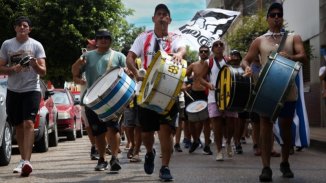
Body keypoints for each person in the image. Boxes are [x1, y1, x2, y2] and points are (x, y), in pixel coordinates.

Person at [242, 3, 307, 182]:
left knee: (286, 129)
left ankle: (285, 162)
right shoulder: (259, 40)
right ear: (268, 18)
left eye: (279, 14)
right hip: (266, 91)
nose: (276, 17)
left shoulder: (294, 38)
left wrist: (291, 57)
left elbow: (303, 56)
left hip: (288, 90)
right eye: (273, 15)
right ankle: (266, 168)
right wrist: (247, 69)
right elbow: (245, 60)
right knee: (266, 129)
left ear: (282, 17)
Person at [126, 4, 186, 181]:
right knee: (146, 132)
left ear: (169, 20)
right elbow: (130, 57)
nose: (161, 17)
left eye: (165, 15)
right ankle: (150, 152)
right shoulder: (143, 38)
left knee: (165, 130)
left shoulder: (176, 36)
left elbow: (182, 49)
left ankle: (165, 167)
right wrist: (136, 73)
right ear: (153, 18)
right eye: (158, 14)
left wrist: (180, 54)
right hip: (145, 91)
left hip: (168, 91)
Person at [72, 28, 126, 173]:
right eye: (101, 37)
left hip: (112, 100)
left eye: (107, 37)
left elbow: (128, 75)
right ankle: (102, 159)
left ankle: (115, 158)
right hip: (92, 101)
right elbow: (74, 73)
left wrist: (129, 72)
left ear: (110, 40)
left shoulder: (119, 56)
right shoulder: (87, 56)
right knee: (99, 133)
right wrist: (78, 68)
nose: (104, 40)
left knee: (113, 128)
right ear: (96, 40)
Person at [0, 16, 46, 177]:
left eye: (25, 25)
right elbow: (0, 68)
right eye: (19, 25)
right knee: (18, 125)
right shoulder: (7, 44)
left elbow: (43, 71)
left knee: (28, 123)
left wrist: (34, 64)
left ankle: (27, 161)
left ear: (29, 29)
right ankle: (21, 160)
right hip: (13, 90)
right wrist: (13, 69)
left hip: (31, 90)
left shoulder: (36, 45)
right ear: (15, 28)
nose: (22, 27)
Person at [201, 40, 237, 161]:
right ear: (213, 49)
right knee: (216, 125)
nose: (219, 47)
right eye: (216, 45)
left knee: (231, 123)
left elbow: (238, 74)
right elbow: (200, 78)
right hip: (213, 96)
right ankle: (219, 150)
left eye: (221, 44)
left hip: (229, 96)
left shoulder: (230, 61)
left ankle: (228, 143)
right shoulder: (208, 62)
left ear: (224, 47)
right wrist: (208, 84)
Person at [74, 38, 99, 160]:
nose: (87, 48)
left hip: (99, 98)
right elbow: (75, 76)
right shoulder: (82, 59)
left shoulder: (102, 58)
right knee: (88, 125)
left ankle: (101, 147)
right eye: (87, 46)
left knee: (101, 124)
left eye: (90, 46)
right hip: (85, 98)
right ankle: (94, 146)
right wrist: (79, 80)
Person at [185, 45, 212, 155]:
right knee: (192, 120)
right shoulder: (193, 65)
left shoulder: (211, 64)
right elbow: (183, 76)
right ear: (199, 53)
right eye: (202, 51)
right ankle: (195, 140)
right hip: (194, 94)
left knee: (206, 121)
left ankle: (207, 145)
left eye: (206, 51)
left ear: (208, 53)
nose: (204, 53)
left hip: (206, 94)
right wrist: (184, 86)